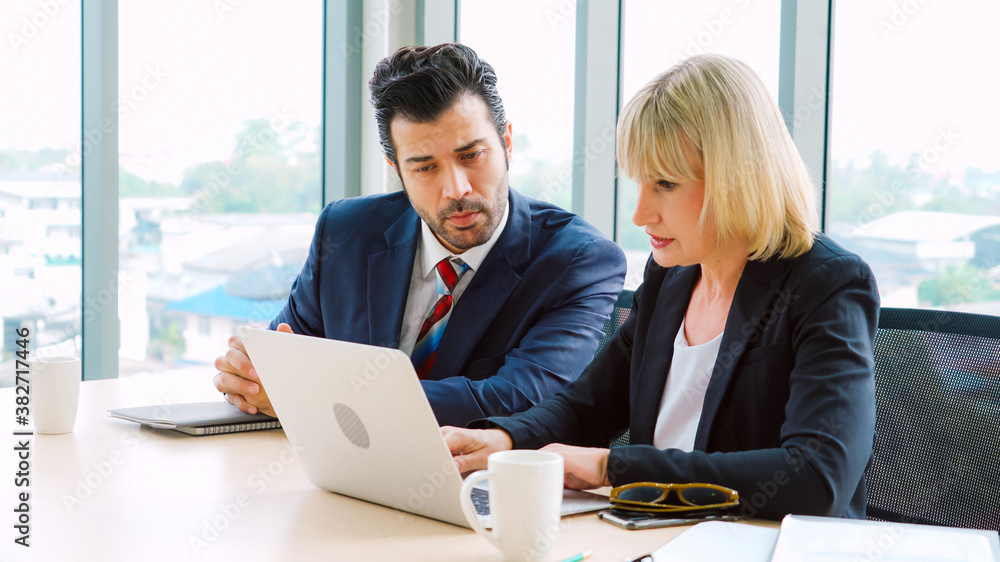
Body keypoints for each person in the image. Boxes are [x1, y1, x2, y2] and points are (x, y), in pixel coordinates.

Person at [444, 54, 879, 520]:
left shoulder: (826, 285)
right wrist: (505, 440)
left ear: (738, 178)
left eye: (666, 184)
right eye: (639, 182)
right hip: (654, 537)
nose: (640, 214)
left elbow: (817, 478)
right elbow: (587, 406)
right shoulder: (671, 276)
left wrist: (614, 468)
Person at [213, 43, 626, 427]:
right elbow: (283, 360)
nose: (456, 189)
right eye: (425, 167)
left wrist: (312, 397)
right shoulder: (345, 232)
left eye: (471, 155)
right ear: (396, 167)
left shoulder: (580, 260)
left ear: (506, 143)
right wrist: (250, 375)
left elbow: (518, 399)